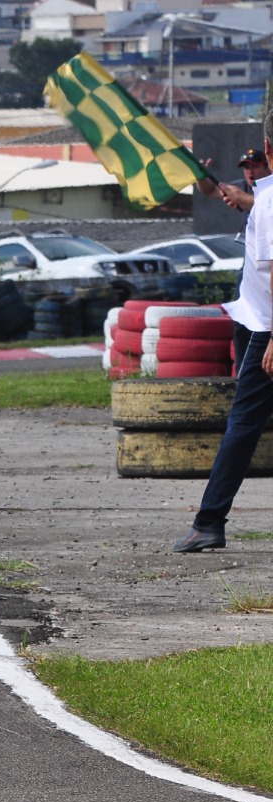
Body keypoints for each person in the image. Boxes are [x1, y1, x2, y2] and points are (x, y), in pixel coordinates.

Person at [173, 130, 273, 553]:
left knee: (243, 423)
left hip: (267, 326)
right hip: (253, 318)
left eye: (254, 164)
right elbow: (220, 192)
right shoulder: (261, 198)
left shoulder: (267, 202)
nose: (249, 171)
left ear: (269, 152)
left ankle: (209, 521)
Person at [197, 148, 270, 212]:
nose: (250, 171)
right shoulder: (245, 187)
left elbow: (269, 205)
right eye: (246, 167)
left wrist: (242, 199)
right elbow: (210, 190)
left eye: (255, 166)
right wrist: (201, 177)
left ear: (267, 168)